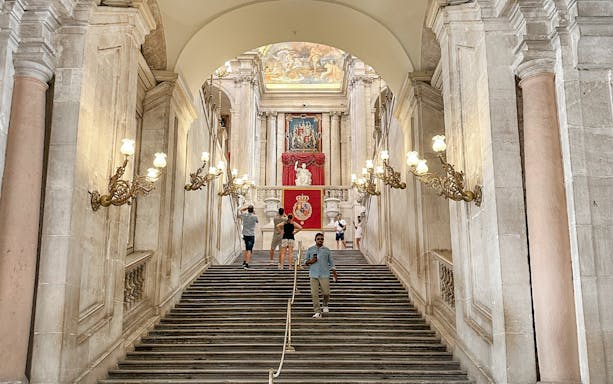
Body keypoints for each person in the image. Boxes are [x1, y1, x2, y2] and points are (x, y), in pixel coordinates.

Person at [304, 233, 338, 318]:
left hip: (324, 274)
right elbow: (305, 261)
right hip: (313, 274)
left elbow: (331, 262)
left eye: (322, 239)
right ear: (315, 240)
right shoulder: (310, 249)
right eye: (318, 239)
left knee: (326, 293)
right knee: (314, 294)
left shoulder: (327, 250)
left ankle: (325, 304)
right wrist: (311, 261)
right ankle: (317, 311)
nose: (320, 240)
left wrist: (334, 272)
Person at [239, 205, 258, 269]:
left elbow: (240, 210)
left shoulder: (245, 215)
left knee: (247, 248)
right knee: (249, 250)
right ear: (252, 210)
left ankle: (244, 262)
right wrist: (254, 212)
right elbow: (257, 221)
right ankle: (247, 264)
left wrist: (246, 208)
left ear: (248, 210)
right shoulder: (255, 216)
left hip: (245, 234)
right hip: (251, 235)